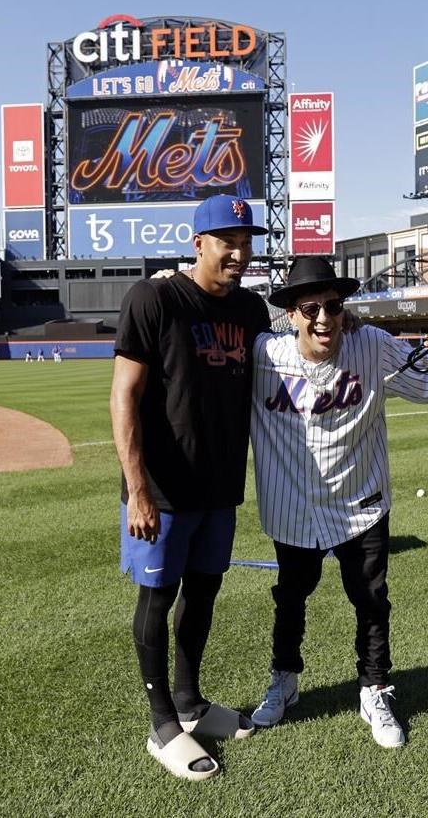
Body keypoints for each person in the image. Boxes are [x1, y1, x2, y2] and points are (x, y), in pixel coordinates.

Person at [248, 256, 428, 748]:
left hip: (362, 501)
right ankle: (284, 680)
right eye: (310, 308)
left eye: (333, 306)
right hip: (293, 507)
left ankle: (374, 688)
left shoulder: (371, 345)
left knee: (371, 602)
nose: (323, 318)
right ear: (291, 314)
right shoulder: (263, 355)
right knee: (291, 599)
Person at [109, 194, 271, 781]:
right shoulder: (155, 298)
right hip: (163, 489)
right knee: (157, 598)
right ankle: (161, 725)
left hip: (219, 487)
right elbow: (124, 395)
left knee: (202, 594)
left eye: (246, 240)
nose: (238, 251)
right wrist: (139, 490)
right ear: (198, 242)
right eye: (227, 240)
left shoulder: (252, 310)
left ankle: (189, 702)